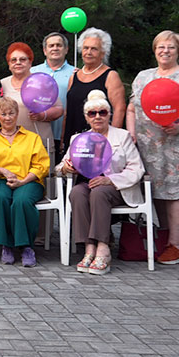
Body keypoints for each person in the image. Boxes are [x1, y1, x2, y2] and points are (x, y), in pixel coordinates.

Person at [127, 31, 179, 265]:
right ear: (154, 50)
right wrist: (131, 133)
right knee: (156, 194)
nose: (165, 51)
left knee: (175, 195)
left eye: (171, 47)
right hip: (146, 147)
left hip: (175, 148)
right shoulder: (143, 77)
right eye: (161, 47)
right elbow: (132, 108)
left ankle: (177, 246)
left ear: (178, 51)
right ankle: (164, 239)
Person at [58, 90, 144, 275]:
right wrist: (66, 168)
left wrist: (110, 180)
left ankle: (103, 248)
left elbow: (137, 169)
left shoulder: (122, 136)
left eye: (102, 112)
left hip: (117, 187)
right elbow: (61, 166)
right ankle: (89, 247)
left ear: (109, 114)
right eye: (92, 113)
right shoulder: (78, 140)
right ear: (87, 117)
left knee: (99, 192)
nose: (97, 117)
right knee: (77, 193)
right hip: (89, 183)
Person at [0, 97, 50, 267]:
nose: (7, 117)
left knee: (21, 201)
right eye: (3, 114)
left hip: (29, 180)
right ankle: (6, 245)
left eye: (11, 113)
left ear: (17, 114)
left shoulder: (32, 138)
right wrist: (1, 170)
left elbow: (42, 165)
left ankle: (26, 247)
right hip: (1, 180)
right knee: (0, 198)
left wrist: (23, 181)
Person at [63, 28, 126, 146]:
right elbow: (68, 110)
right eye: (85, 48)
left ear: (103, 53)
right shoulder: (74, 76)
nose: (89, 52)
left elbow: (119, 109)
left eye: (94, 49)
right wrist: (63, 138)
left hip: (99, 140)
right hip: (73, 138)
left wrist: (112, 141)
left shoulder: (111, 76)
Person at [0, 42, 63, 155]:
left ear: (30, 62)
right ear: (8, 64)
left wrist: (42, 115)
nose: (18, 62)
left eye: (23, 59)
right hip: (11, 147)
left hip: (40, 144)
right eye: (13, 60)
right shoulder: (1, 84)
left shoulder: (42, 82)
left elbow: (59, 109)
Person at [31, 32, 74, 157]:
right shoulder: (32, 72)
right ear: (45, 50)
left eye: (59, 45)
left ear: (66, 49)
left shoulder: (76, 73)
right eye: (51, 46)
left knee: (60, 173)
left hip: (63, 133)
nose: (55, 48)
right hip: (37, 132)